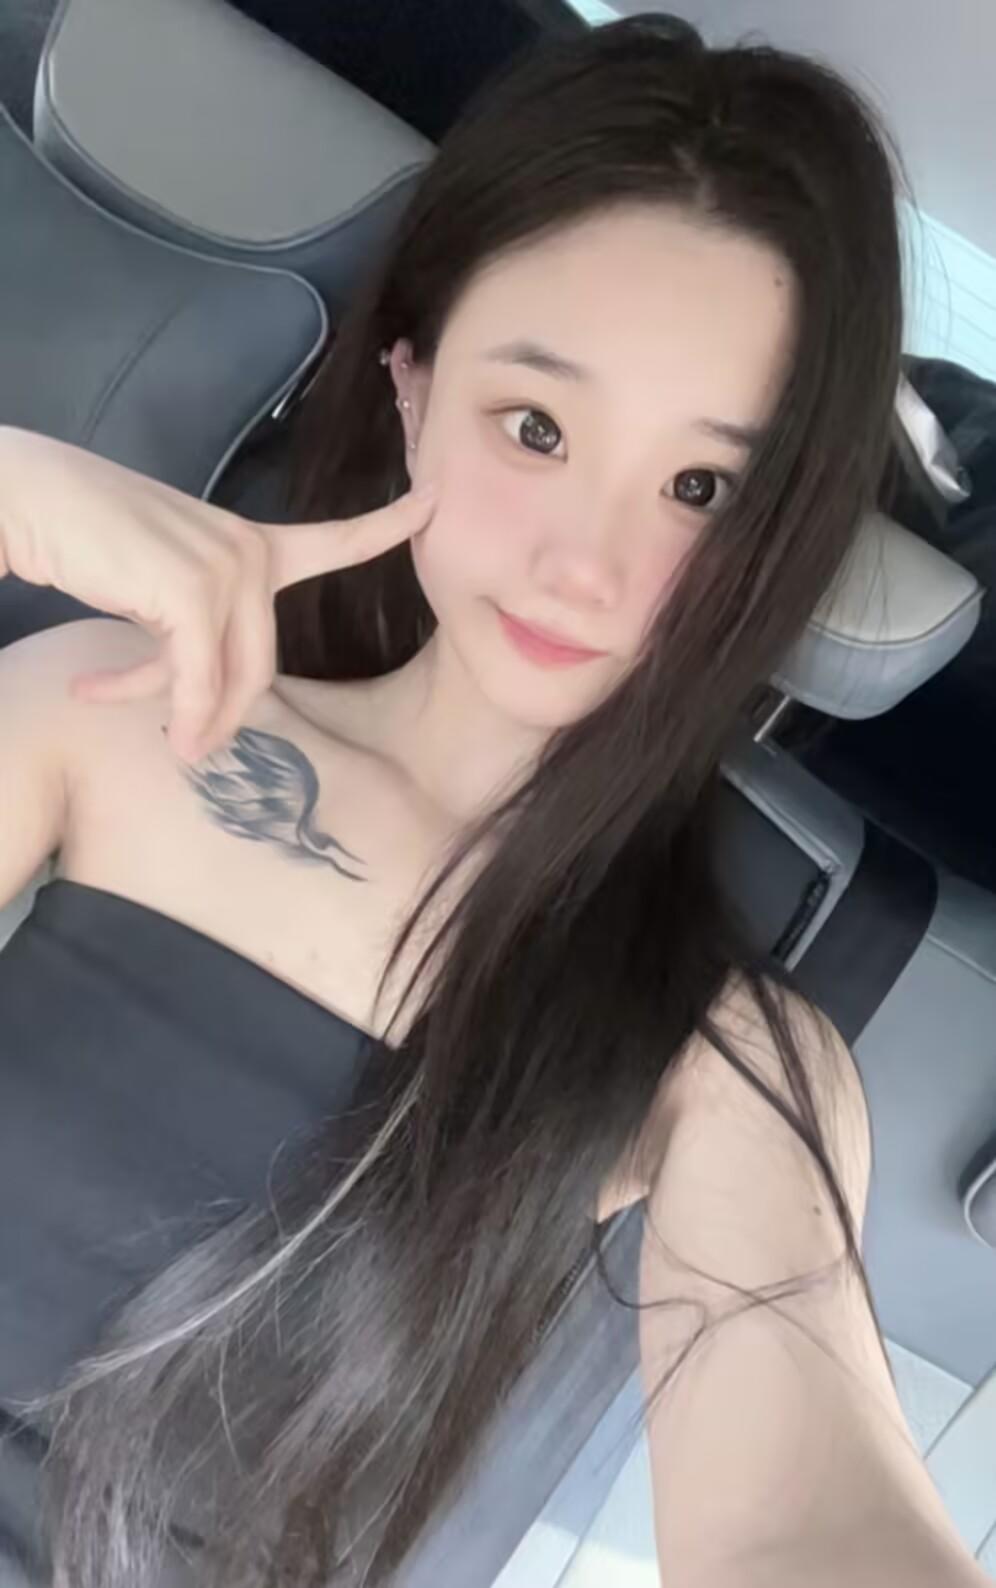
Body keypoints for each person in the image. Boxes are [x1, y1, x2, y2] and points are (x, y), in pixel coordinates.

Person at [0, 16, 986, 1588]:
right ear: (412, 387)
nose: (586, 566)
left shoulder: (728, 1057)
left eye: (703, 490)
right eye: (537, 429)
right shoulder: (103, 709)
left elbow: (799, 1508)